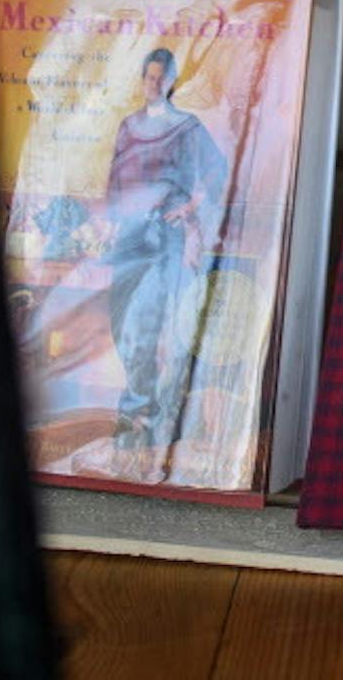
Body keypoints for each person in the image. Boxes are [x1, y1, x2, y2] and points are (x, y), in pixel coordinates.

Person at [102, 47, 227, 461]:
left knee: (154, 328)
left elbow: (215, 170)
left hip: (165, 240)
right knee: (122, 327)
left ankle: (148, 419)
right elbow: (115, 181)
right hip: (127, 238)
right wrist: (108, 222)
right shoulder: (128, 126)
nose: (153, 85)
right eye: (148, 77)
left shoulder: (187, 127)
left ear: (172, 81)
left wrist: (189, 208)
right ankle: (141, 408)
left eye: (161, 78)